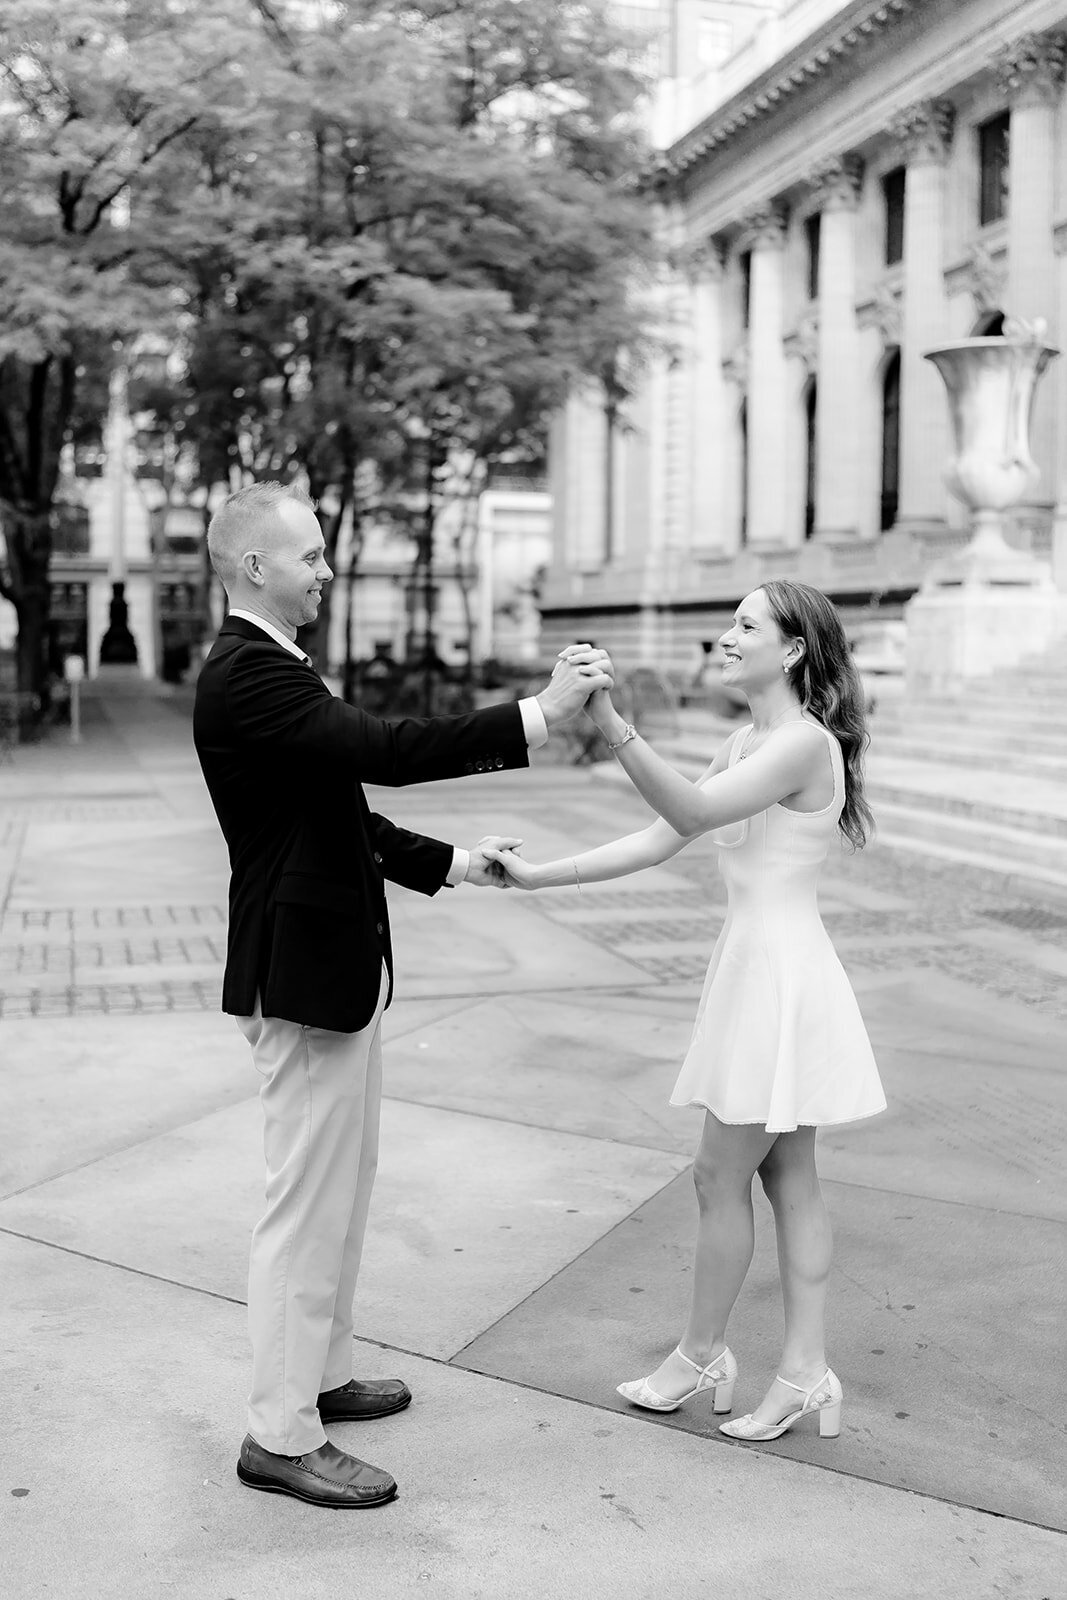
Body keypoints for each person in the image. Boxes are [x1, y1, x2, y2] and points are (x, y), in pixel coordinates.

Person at [192, 481, 612, 1509]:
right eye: (310, 556)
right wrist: (536, 716)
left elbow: (345, 816)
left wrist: (462, 861)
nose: (325, 570)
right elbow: (384, 750)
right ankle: (277, 1435)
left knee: (345, 1187)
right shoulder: (247, 674)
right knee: (304, 1207)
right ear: (255, 566)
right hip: (298, 980)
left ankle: (321, 1377)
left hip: (328, 972)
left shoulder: (276, 671)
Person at [487, 580, 886, 1444]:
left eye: (746, 625)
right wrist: (541, 875)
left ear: (789, 651)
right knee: (786, 1176)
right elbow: (659, 838)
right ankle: (804, 1374)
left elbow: (692, 810)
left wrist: (609, 720)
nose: (726, 635)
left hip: (778, 975)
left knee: (719, 1175)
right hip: (761, 970)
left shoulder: (800, 744)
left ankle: (706, 1355)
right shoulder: (749, 739)